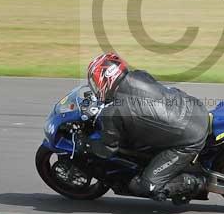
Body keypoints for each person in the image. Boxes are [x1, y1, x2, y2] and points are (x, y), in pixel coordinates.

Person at [86, 52, 208, 202]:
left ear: (106, 80)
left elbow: (108, 150)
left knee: (147, 186)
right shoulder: (139, 75)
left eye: (96, 82)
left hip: (189, 140)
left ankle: (197, 182)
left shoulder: (112, 113)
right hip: (195, 109)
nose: (96, 87)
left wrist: (86, 144)